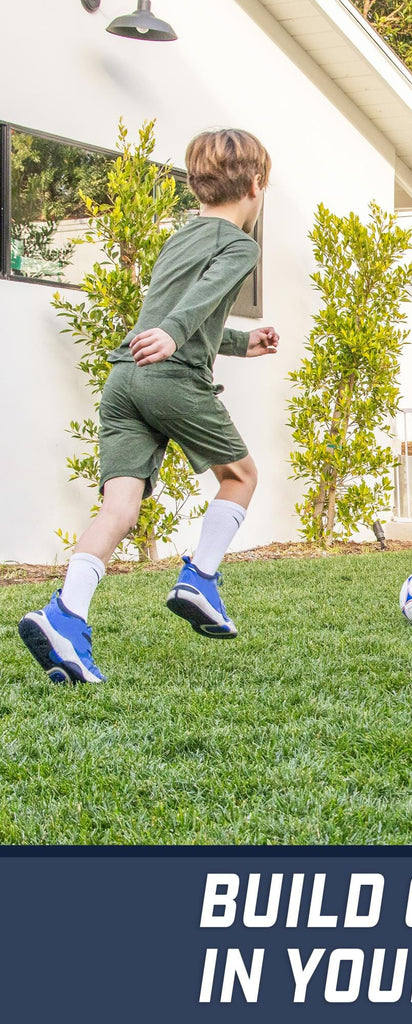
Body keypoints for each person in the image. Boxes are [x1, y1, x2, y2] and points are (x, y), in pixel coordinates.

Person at [19, 128, 279, 683]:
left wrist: (239, 342)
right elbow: (194, 306)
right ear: (257, 185)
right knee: (241, 476)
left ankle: (64, 616)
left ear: (197, 185)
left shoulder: (182, 236)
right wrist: (173, 334)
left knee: (119, 511)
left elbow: (181, 310)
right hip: (169, 378)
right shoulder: (241, 245)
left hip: (123, 381)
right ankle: (201, 578)